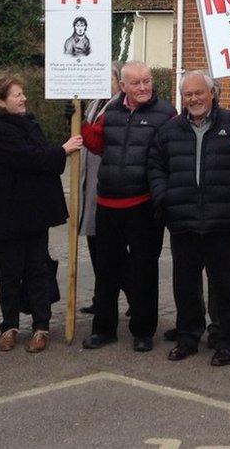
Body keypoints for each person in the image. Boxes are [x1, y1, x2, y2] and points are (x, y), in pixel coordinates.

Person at [149, 71, 230, 366]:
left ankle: (227, 339)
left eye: (198, 93)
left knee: (225, 286)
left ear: (212, 93)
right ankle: (188, 336)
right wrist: (164, 196)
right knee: (186, 284)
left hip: (222, 222)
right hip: (184, 221)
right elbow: (155, 165)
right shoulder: (170, 130)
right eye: (187, 94)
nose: (193, 99)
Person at [80, 60, 175, 352]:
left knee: (144, 270)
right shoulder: (111, 111)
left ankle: (143, 331)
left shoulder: (166, 113)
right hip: (108, 201)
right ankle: (104, 328)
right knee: (107, 270)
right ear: (123, 87)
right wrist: (77, 120)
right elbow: (96, 144)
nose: (144, 87)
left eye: (147, 81)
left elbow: (173, 153)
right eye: (136, 83)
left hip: (144, 204)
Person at [0, 75, 83, 353]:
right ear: (0, 102)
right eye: (16, 95)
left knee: (38, 269)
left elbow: (41, 156)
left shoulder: (29, 124)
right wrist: (62, 150)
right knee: (11, 272)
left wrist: (63, 138)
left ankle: (41, 325)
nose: (23, 98)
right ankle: (9, 325)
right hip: (8, 216)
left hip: (34, 215)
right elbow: (31, 159)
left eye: (23, 93)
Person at [78, 62, 123, 316]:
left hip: (106, 181)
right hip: (90, 180)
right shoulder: (95, 104)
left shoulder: (117, 107)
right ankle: (102, 295)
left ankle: (123, 293)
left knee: (108, 248)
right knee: (95, 243)